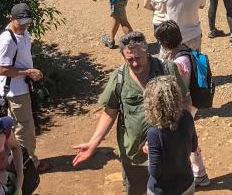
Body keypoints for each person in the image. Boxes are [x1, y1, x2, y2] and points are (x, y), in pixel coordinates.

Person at [71, 32, 187, 195]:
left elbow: (183, 103)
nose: (134, 63)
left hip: (166, 153)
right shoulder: (119, 78)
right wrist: (93, 143)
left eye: (138, 58)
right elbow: (110, 111)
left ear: (147, 50)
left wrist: (178, 133)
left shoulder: (167, 69)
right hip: (134, 156)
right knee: (136, 191)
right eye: (129, 59)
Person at [153, 21, 210, 187]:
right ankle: (200, 174)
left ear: (164, 42)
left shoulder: (179, 62)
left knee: (184, 141)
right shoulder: (184, 49)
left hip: (184, 105)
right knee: (189, 139)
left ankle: (196, 175)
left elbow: (177, 85)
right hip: (191, 102)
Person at [0, 3, 48, 173]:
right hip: (15, 92)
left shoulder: (23, 34)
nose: (25, 26)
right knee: (24, 130)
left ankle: (20, 164)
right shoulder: (7, 40)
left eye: (27, 22)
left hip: (22, 88)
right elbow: (1, 69)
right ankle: (28, 165)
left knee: (22, 127)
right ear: (11, 19)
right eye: (21, 22)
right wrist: (27, 71)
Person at [144, 75, 200, 195]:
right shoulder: (187, 116)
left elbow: (155, 172)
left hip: (162, 190)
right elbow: (194, 147)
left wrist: (150, 151)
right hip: (186, 184)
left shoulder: (154, 133)